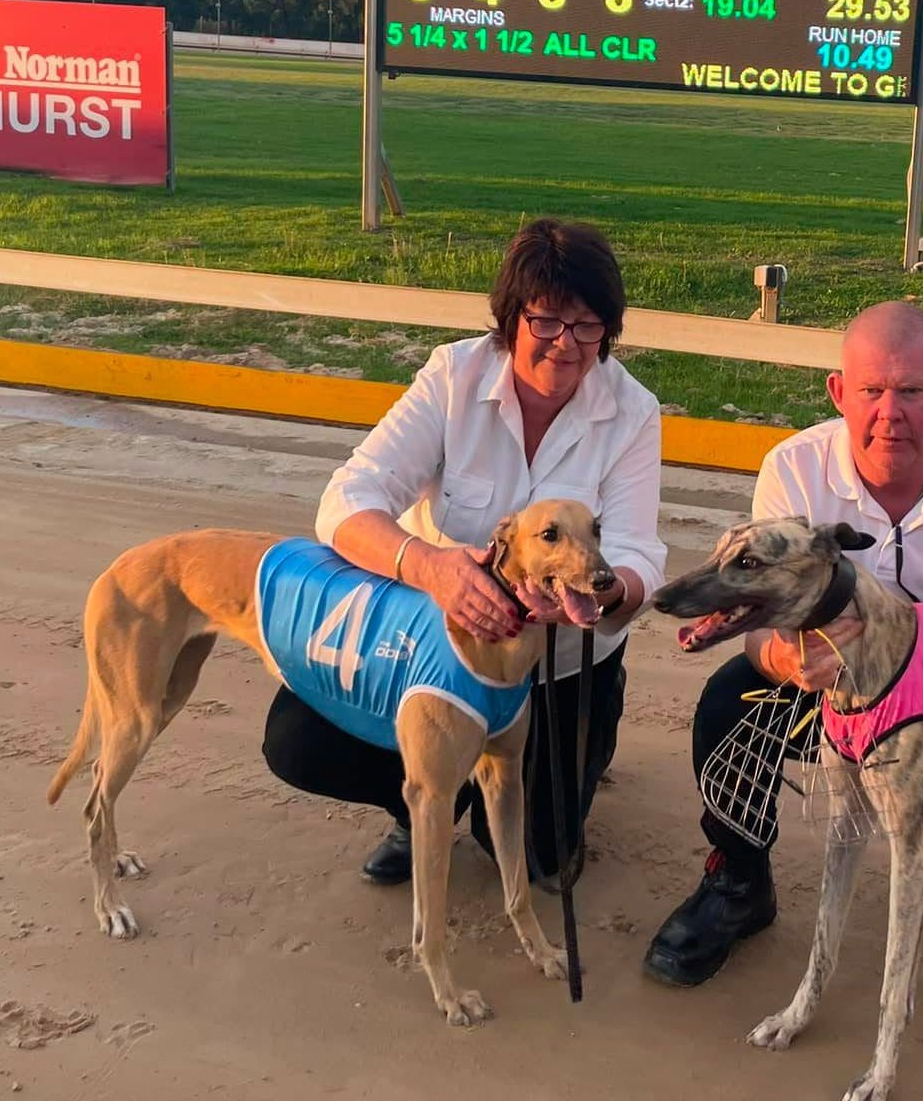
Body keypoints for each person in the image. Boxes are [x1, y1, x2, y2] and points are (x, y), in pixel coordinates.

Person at [643, 301, 923, 986]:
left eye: (913, 391)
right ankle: (738, 878)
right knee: (726, 705)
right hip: (828, 689)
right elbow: (759, 619)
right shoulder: (793, 470)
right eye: (872, 391)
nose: (891, 412)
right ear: (838, 393)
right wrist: (788, 661)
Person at [262, 217, 667, 885]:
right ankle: (421, 800)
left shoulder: (632, 411)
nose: (565, 347)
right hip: (436, 648)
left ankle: (575, 749)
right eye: (545, 321)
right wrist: (431, 568)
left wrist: (597, 596)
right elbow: (346, 500)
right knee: (297, 743)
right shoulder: (453, 376)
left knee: (542, 857)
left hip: (558, 668)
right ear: (510, 319)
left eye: (587, 326)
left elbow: (637, 554)